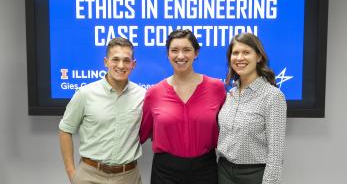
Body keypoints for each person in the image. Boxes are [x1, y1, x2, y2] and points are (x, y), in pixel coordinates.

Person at [140, 29, 226, 184]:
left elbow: (230, 127)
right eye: (174, 50)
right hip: (165, 172)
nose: (180, 56)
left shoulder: (217, 88)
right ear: (168, 54)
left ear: (196, 53)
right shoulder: (154, 93)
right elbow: (140, 134)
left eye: (187, 50)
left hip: (205, 169)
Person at [59, 37, 146, 184]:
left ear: (133, 64)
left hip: (128, 177)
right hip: (89, 175)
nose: (121, 65)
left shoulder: (143, 96)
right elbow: (65, 130)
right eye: (115, 59)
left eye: (126, 60)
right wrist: (72, 173)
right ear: (106, 62)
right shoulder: (85, 94)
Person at [217, 33, 287, 184]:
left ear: (259, 57)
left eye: (246, 52)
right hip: (223, 172)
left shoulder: (273, 96)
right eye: (235, 53)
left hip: (254, 175)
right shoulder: (230, 94)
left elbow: (276, 152)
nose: (239, 58)